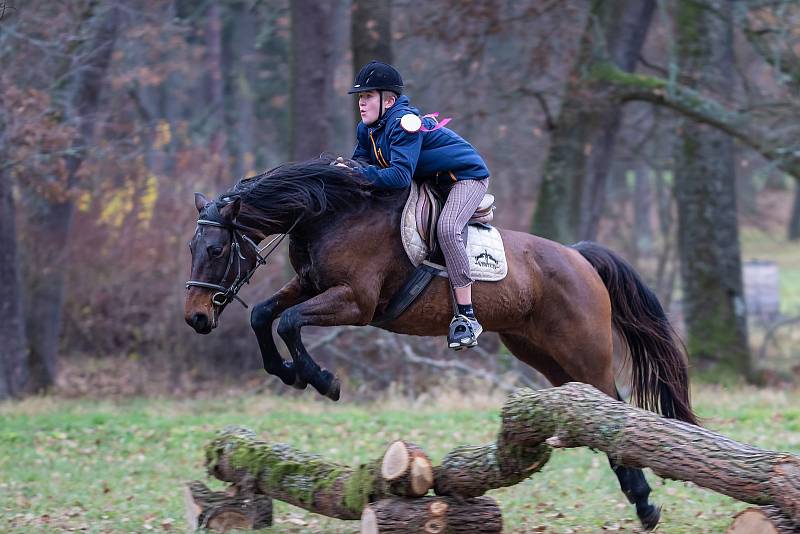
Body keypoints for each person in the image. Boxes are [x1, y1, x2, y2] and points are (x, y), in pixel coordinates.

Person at [347, 60, 490, 350]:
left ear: (389, 100)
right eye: (360, 98)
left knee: (448, 229)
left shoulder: (403, 125)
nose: (361, 104)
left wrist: (357, 172)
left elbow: (399, 176)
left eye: (368, 97)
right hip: (431, 179)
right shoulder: (368, 129)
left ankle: (467, 317)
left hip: (464, 179)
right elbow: (360, 165)